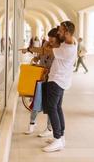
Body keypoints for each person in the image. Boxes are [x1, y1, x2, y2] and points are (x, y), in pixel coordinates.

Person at [22, 21, 77, 152]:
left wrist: (29, 49)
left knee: (52, 108)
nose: (58, 33)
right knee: (57, 108)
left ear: (67, 33)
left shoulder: (66, 49)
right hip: (62, 80)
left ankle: (57, 139)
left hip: (56, 81)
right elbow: (52, 45)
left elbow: (44, 51)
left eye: (61, 31)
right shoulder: (72, 41)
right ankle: (61, 137)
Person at [22, 28, 61, 136]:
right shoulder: (46, 45)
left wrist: (29, 49)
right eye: (49, 37)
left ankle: (49, 128)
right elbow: (41, 54)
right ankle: (31, 124)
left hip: (52, 80)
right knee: (36, 101)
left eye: (52, 38)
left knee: (50, 106)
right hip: (40, 77)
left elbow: (46, 52)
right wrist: (36, 58)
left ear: (57, 38)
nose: (50, 40)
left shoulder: (58, 49)